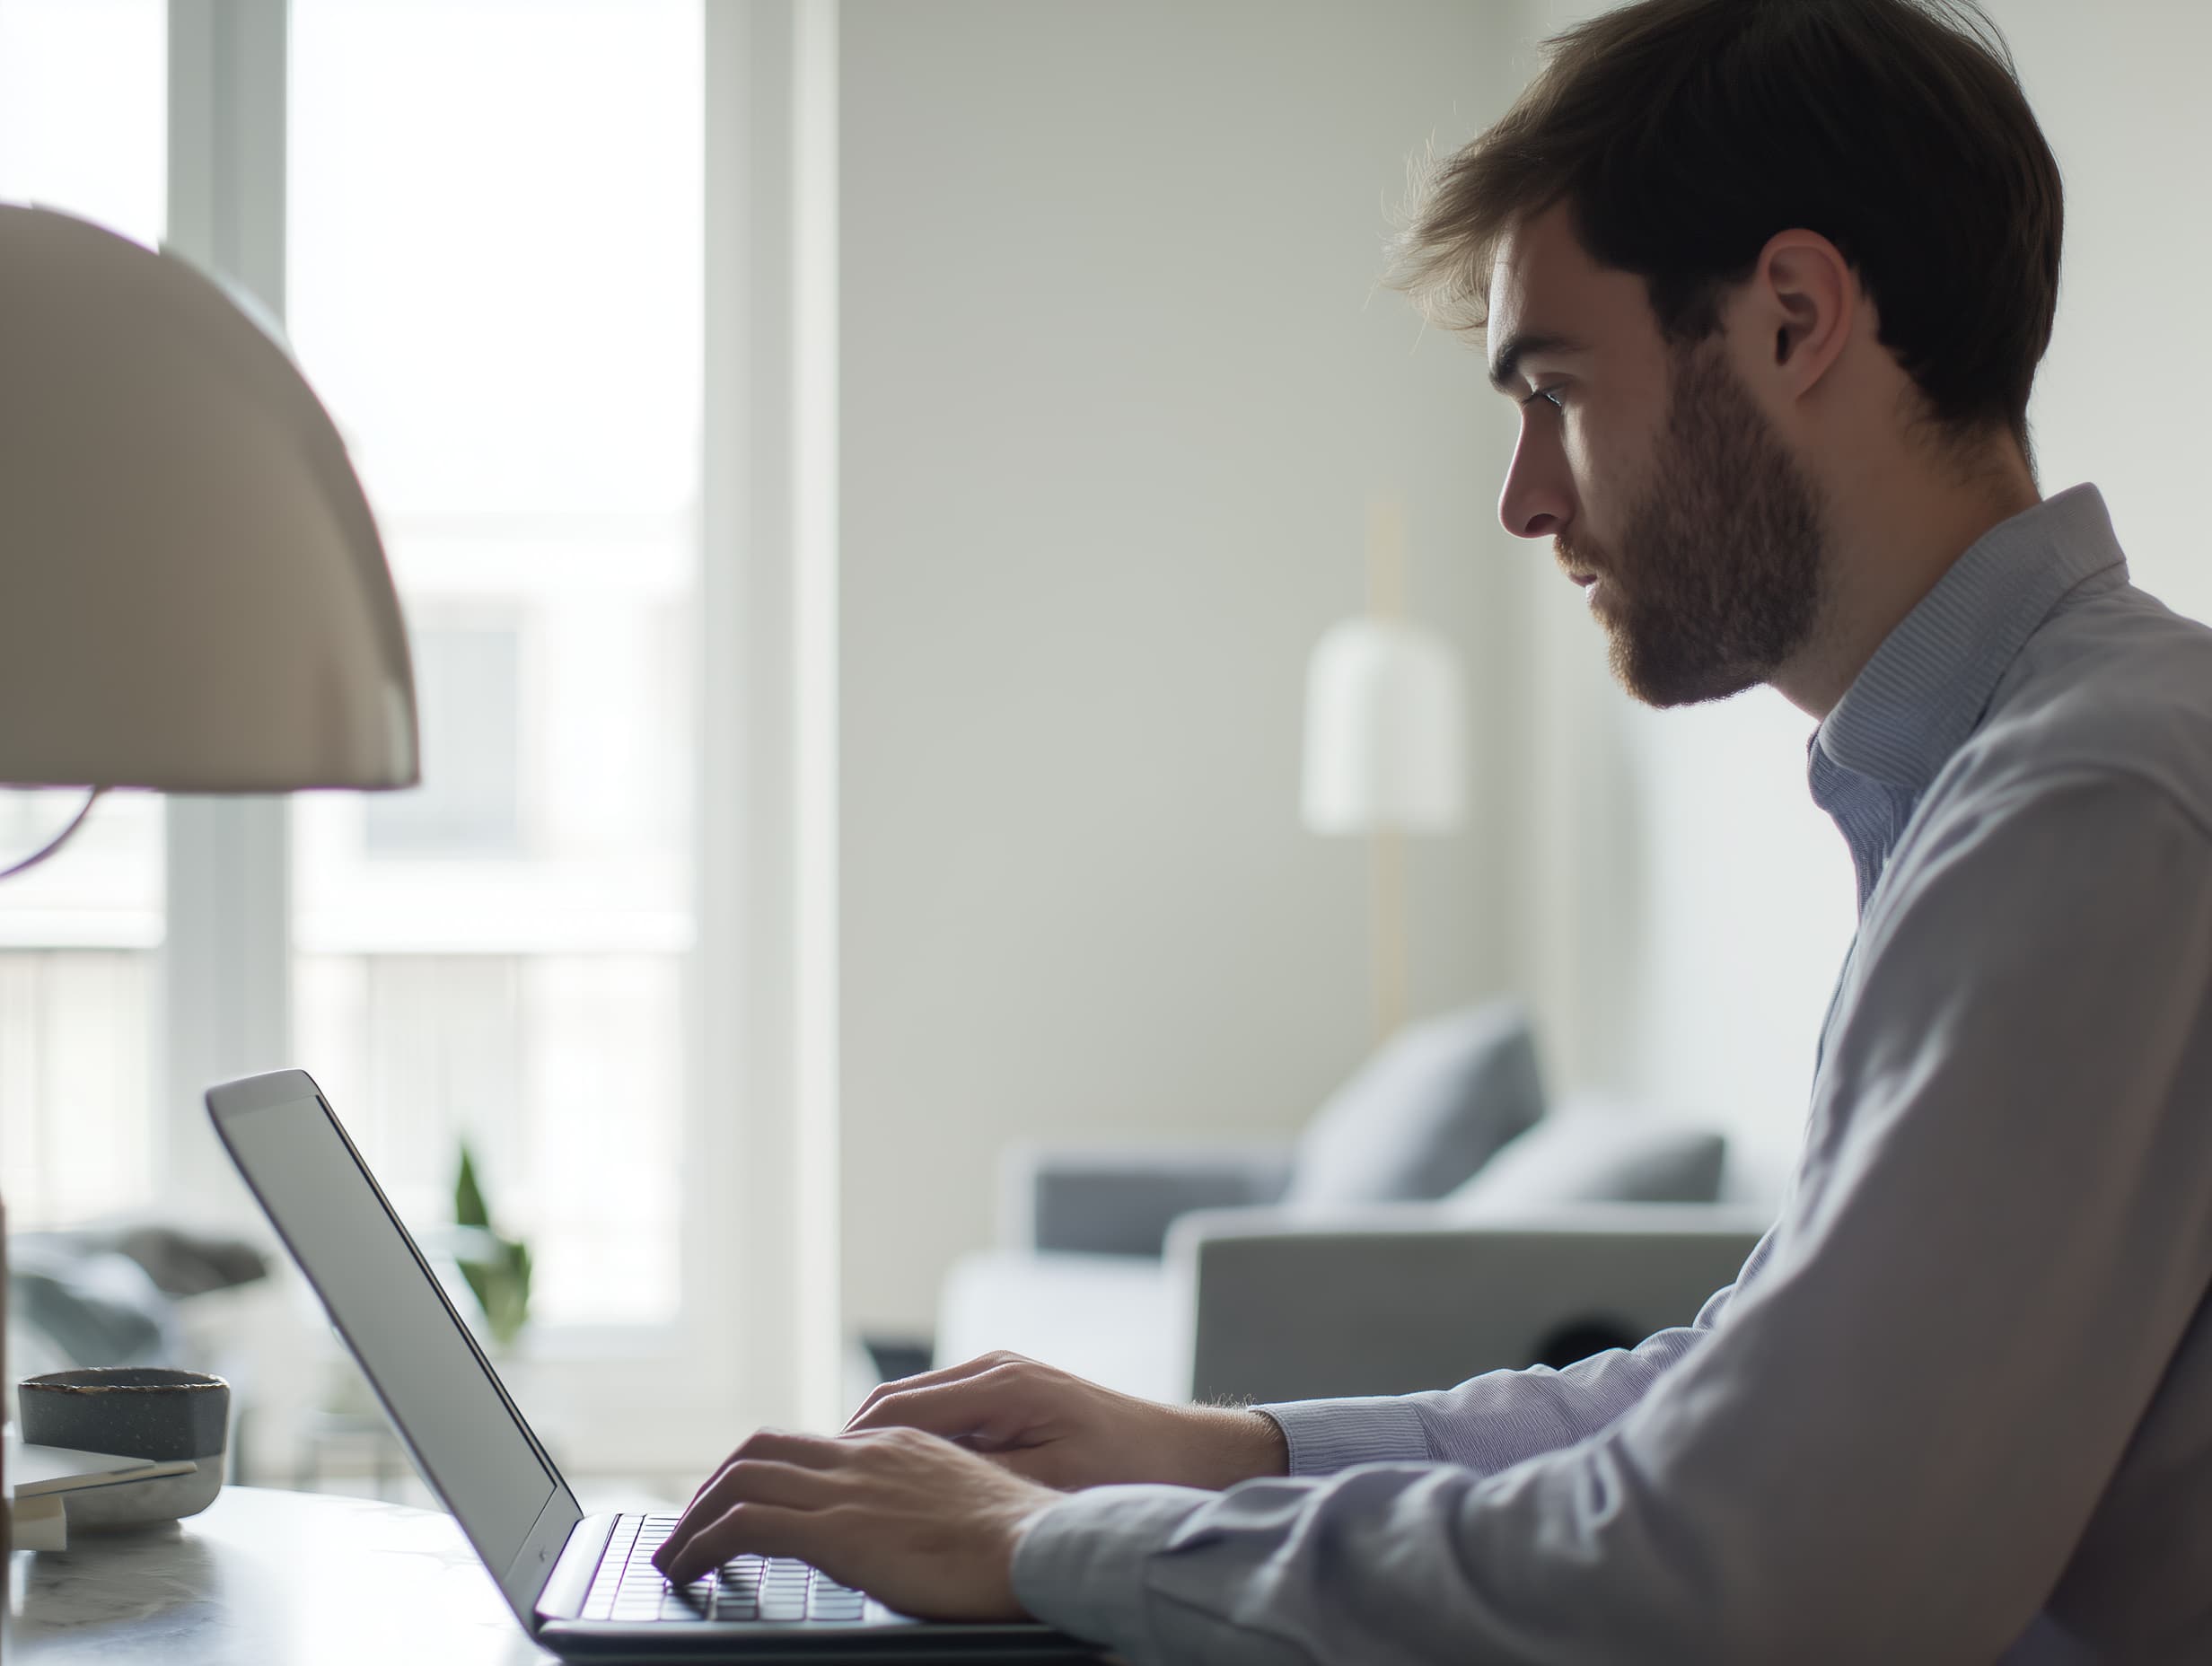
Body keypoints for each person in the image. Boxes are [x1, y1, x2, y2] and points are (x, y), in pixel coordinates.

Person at [654, 1, 2212, 1658]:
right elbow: (1743, 1401)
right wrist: (1220, 1451)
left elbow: (1750, 1568)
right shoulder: (2018, 782)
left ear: (1793, 316)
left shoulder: (2087, 808)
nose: (1525, 495)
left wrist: (1070, 1548)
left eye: (1554, 388)